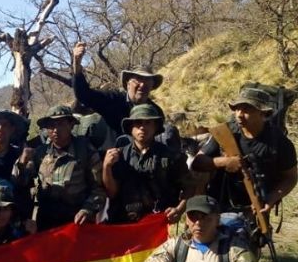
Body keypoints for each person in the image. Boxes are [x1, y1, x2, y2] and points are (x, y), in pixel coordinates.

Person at [191, 87, 298, 215]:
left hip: (256, 209)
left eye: (247, 109)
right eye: (237, 109)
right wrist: (224, 162)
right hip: (218, 204)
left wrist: (271, 198)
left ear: (262, 113)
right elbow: (197, 162)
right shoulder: (225, 133)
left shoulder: (279, 142)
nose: (239, 115)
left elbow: (290, 178)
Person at [103, 104, 191, 223]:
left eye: (148, 123)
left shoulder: (170, 156)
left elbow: (189, 187)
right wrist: (107, 167)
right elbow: (112, 193)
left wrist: (178, 210)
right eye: (138, 122)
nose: (142, 127)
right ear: (131, 127)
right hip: (124, 222)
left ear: (155, 127)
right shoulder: (119, 156)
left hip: (159, 222)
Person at [27, 105, 106, 231]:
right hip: (46, 223)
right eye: (51, 125)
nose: (55, 130)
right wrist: (21, 164)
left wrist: (87, 209)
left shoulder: (85, 151)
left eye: (61, 124)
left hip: (77, 222)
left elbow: (99, 189)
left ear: (71, 125)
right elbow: (22, 183)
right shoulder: (39, 153)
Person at [71, 42, 166, 136]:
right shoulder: (113, 99)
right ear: (128, 83)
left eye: (147, 81)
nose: (142, 84)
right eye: (138, 79)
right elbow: (84, 95)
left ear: (152, 86)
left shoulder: (156, 112)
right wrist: (77, 64)